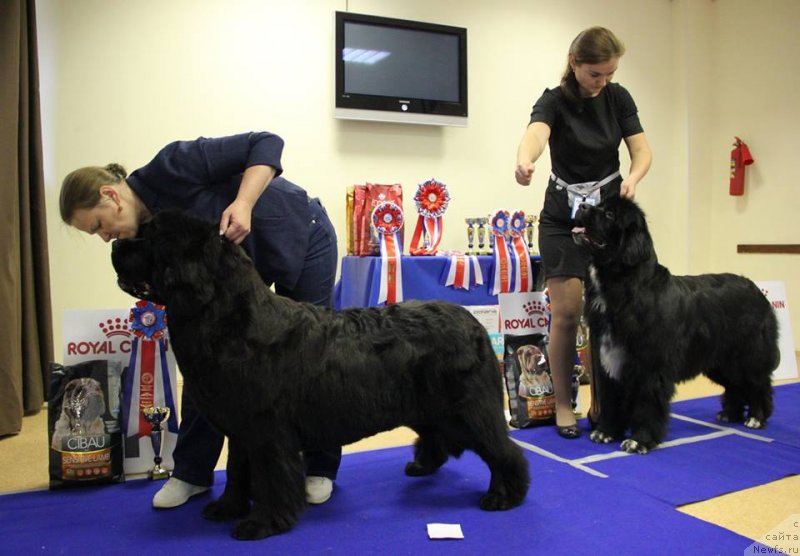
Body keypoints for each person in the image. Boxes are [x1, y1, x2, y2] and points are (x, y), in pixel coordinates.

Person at [60, 131, 342, 507]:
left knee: (311, 357)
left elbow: (266, 143)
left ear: (111, 197)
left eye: (97, 226)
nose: (103, 237)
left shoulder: (174, 165)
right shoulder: (136, 238)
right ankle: (192, 473)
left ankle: (319, 466)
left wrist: (243, 203)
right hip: (243, 274)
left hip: (302, 236)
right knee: (205, 365)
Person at [514, 27, 652, 439]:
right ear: (575, 63)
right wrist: (524, 160)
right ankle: (561, 403)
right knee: (569, 312)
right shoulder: (553, 101)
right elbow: (536, 134)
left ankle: (603, 402)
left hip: (606, 219)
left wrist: (635, 176)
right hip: (562, 218)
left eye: (609, 74)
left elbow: (641, 149)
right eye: (596, 74)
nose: (603, 82)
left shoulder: (618, 97)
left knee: (607, 314)